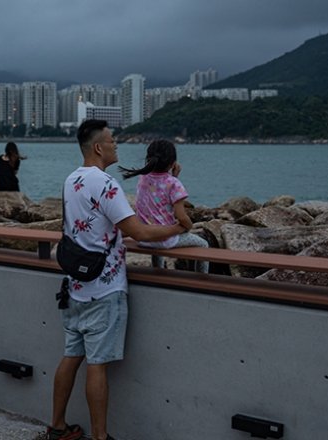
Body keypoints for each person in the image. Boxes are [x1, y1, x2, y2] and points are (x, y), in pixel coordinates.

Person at [48, 120, 187, 440]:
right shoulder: (106, 184)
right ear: (98, 147)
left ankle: (56, 426)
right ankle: (100, 437)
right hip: (104, 289)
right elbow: (138, 231)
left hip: (75, 286)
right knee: (97, 365)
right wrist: (179, 229)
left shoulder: (72, 179)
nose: (116, 146)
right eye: (112, 141)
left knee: (71, 357)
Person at [119, 139, 210, 273]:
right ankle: (203, 277)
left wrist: (174, 176)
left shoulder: (143, 178)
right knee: (204, 244)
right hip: (166, 239)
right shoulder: (174, 184)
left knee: (156, 230)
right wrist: (188, 227)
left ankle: (158, 271)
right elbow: (181, 216)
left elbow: (158, 186)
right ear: (173, 163)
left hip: (144, 238)